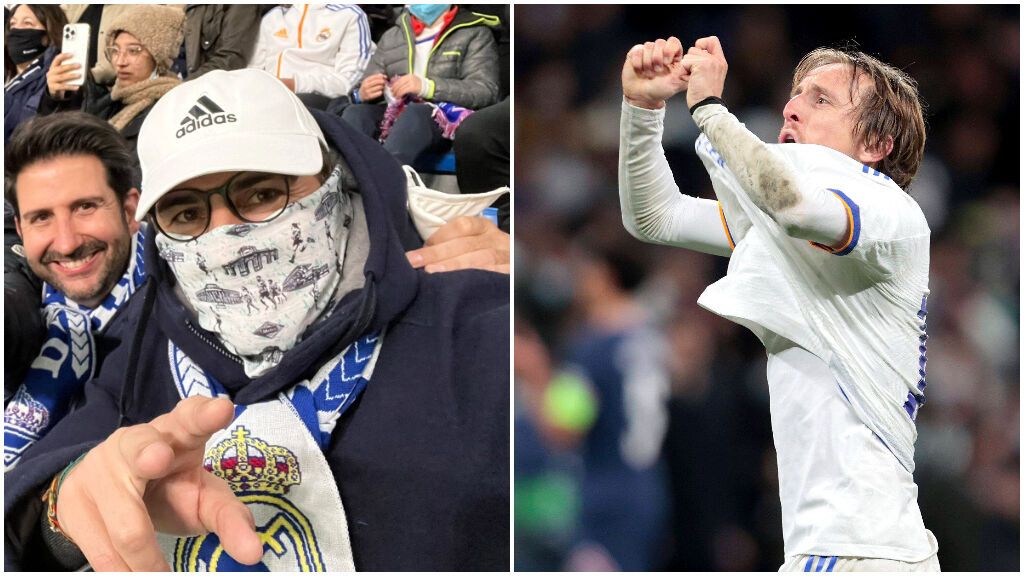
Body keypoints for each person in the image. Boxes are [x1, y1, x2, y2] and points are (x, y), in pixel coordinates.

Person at [4, 68, 508, 572]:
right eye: (185, 214)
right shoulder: (143, 343)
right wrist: (62, 510)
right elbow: (35, 501)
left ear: (339, 179)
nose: (226, 239)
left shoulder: (478, 322)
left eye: (262, 194)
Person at [618, 36, 938, 570]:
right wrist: (644, 108)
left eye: (821, 100)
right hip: (847, 549)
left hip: (861, 551)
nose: (791, 107)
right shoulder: (793, 227)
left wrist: (709, 110)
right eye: (796, 94)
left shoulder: (891, 212)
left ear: (877, 143)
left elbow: (793, 205)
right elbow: (655, 216)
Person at [3, 112, 145, 470]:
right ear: (20, 228)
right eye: (42, 218)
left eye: (85, 207)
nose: (65, 243)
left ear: (130, 211)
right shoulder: (29, 287)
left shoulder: (186, 299)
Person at [342, 4, 500, 166]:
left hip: (444, 119)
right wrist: (361, 94)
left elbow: (485, 90)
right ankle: (347, 183)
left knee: (416, 112)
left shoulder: (474, 32)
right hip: (395, 115)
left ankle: (386, 181)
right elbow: (362, 85)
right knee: (356, 113)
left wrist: (427, 87)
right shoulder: (392, 36)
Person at [41, 4, 185, 160]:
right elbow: (58, 145)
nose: (120, 61)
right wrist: (57, 99)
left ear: (158, 56)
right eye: (115, 50)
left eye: (133, 51)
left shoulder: (171, 110)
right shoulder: (108, 101)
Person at [248, 4, 372, 111]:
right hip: (267, 96)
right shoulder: (272, 17)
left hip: (319, 101)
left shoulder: (350, 15)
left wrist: (295, 84)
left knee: (288, 107)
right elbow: (252, 71)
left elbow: (347, 83)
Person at [4, 4, 67, 142]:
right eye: (13, 24)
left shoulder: (56, 80)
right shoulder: (9, 74)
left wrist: (53, 97)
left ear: (47, 36)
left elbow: (26, 133)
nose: (16, 30)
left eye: (27, 23)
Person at [183, 4, 265, 80]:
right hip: (183, 84)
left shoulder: (242, 6)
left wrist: (181, 87)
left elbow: (231, 58)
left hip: (207, 88)